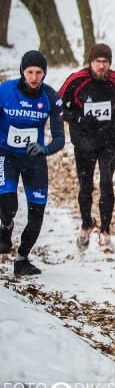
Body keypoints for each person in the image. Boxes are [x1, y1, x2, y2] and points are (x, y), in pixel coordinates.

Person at [59, 43, 115, 253]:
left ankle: (105, 231)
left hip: (108, 140)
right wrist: (78, 118)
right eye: (98, 61)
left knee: (107, 184)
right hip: (84, 142)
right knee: (86, 186)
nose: (101, 66)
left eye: (105, 62)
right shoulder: (77, 80)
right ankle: (86, 223)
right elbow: (57, 106)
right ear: (90, 62)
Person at [0, 50, 65, 275]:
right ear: (22, 71)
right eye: (30, 72)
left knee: (36, 212)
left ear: (45, 74)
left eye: (39, 72)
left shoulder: (51, 97)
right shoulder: (5, 91)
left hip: (34, 160)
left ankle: (21, 259)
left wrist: (44, 149)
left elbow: (60, 139)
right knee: (8, 203)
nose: (34, 77)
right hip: (5, 155)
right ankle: (6, 227)